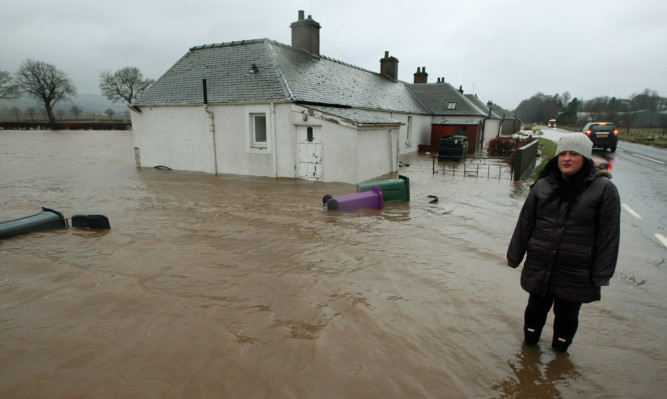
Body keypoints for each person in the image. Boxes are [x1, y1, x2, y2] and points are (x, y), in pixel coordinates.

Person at [506, 133, 621, 353]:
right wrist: (514, 256)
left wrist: (602, 274)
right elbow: (525, 224)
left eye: (574, 154)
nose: (566, 159)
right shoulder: (542, 186)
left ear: (585, 158)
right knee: (535, 308)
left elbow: (609, 236)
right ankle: (529, 348)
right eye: (563, 154)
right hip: (541, 263)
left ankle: (560, 351)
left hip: (577, 269)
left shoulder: (604, 190)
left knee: (568, 313)